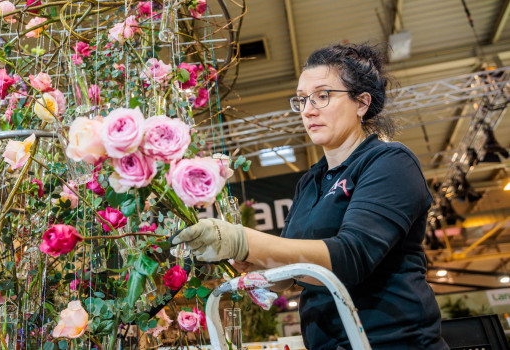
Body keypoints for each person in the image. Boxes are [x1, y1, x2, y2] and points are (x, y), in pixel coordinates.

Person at [172, 43, 450, 349]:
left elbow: (351, 258)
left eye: (322, 95)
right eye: (302, 99)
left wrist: (244, 240)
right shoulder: (310, 182)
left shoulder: (390, 163)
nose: (308, 110)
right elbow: (294, 277)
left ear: (362, 103)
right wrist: (255, 263)